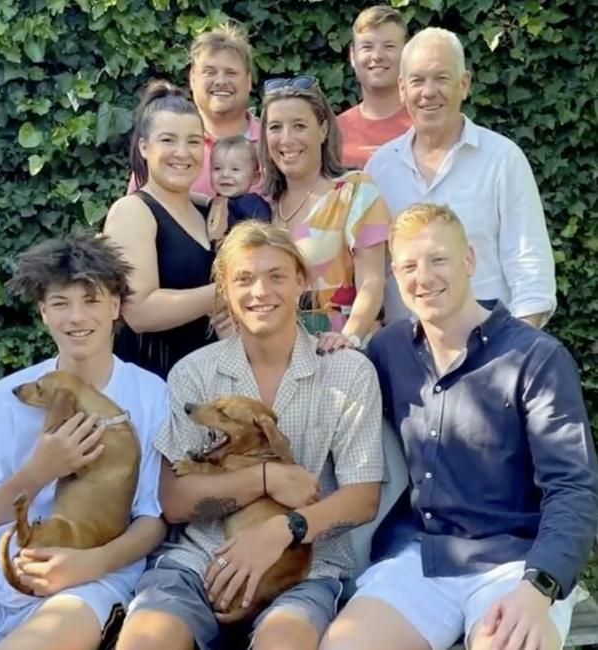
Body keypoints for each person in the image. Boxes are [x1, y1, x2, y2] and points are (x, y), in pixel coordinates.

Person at [320, 203, 598, 650]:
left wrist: (540, 587)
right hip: (423, 557)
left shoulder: (536, 359)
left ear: (469, 259)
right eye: (409, 265)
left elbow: (573, 488)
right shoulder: (389, 350)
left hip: (515, 562)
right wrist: (339, 345)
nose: (423, 277)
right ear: (394, 273)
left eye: (438, 260)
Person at [116, 221, 385, 650]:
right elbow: (174, 501)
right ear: (224, 289)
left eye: (276, 276)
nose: (260, 292)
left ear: (301, 280)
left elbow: (362, 497)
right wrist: (264, 480)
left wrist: (283, 530)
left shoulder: (347, 372)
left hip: (302, 569)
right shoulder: (195, 374)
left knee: (285, 643)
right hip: (198, 562)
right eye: (243, 279)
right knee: (146, 641)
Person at [0, 233, 167, 650]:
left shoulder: (149, 394)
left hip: (90, 577)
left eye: (91, 300)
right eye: (61, 303)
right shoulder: (11, 394)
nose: (76, 317)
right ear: (43, 312)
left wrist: (92, 563)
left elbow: (152, 519)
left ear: (116, 307)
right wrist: (38, 471)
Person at [365, 27, 557, 328]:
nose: (428, 92)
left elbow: (531, 270)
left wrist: (511, 356)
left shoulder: (503, 160)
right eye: (417, 80)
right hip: (405, 360)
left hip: (490, 351)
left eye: (441, 78)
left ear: (464, 84)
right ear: (402, 88)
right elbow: (370, 274)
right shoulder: (379, 169)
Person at [105, 81, 227, 381]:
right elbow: (140, 312)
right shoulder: (132, 212)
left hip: (207, 382)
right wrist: (228, 292)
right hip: (153, 381)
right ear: (145, 147)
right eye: (168, 140)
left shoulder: (209, 211)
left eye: (194, 141)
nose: (182, 153)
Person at [261, 76, 391, 348]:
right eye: (275, 127)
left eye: (299, 126)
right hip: (271, 353)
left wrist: (349, 336)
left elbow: (372, 281)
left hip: (336, 351)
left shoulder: (354, 191)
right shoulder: (259, 204)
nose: (286, 139)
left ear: (322, 130)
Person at [128, 23, 260, 197]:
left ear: (248, 80)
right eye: (209, 72)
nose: (220, 81)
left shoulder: (274, 145)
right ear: (192, 78)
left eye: (230, 72)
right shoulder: (166, 147)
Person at [337, 5, 412, 169]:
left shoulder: (427, 124)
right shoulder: (333, 132)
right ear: (352, 55)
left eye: (389, 46)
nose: (377, 56)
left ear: (406, 54)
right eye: (367, 47)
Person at [207, 134, 272, 247]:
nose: (225, 174)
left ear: (255, 177)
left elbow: (261, 237)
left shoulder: (252, 204)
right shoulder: (212, 203)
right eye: (217, 168)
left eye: (235, 169)